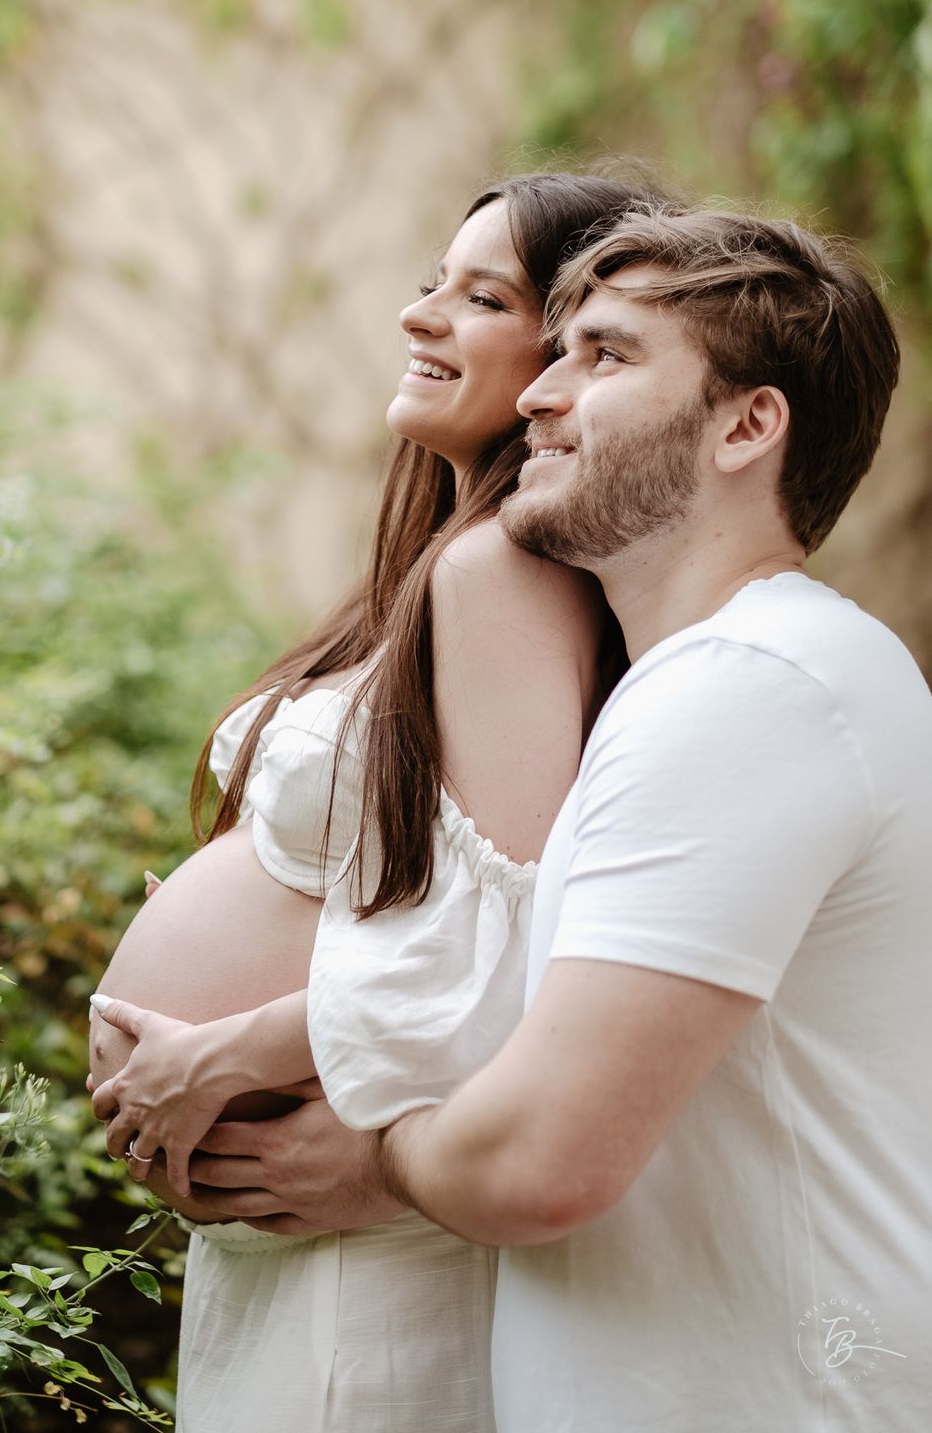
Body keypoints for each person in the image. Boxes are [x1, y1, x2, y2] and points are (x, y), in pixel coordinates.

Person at [187, 208, 932, 1431]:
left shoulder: (750, 689)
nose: (541, 394)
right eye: (558, 350)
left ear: (750, 425)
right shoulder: (726, 688)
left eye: (607, 357)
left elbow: (542, 1162)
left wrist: (364, 1160)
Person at [87, 172, 672, 1432]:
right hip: (308, 1254)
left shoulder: (504, 566)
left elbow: (523, 938)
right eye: (430, 285)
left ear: (569, 355)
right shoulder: (452, 561)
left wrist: (223, 1051)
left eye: (481, 296)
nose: (421, 317)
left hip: (373, 1276)